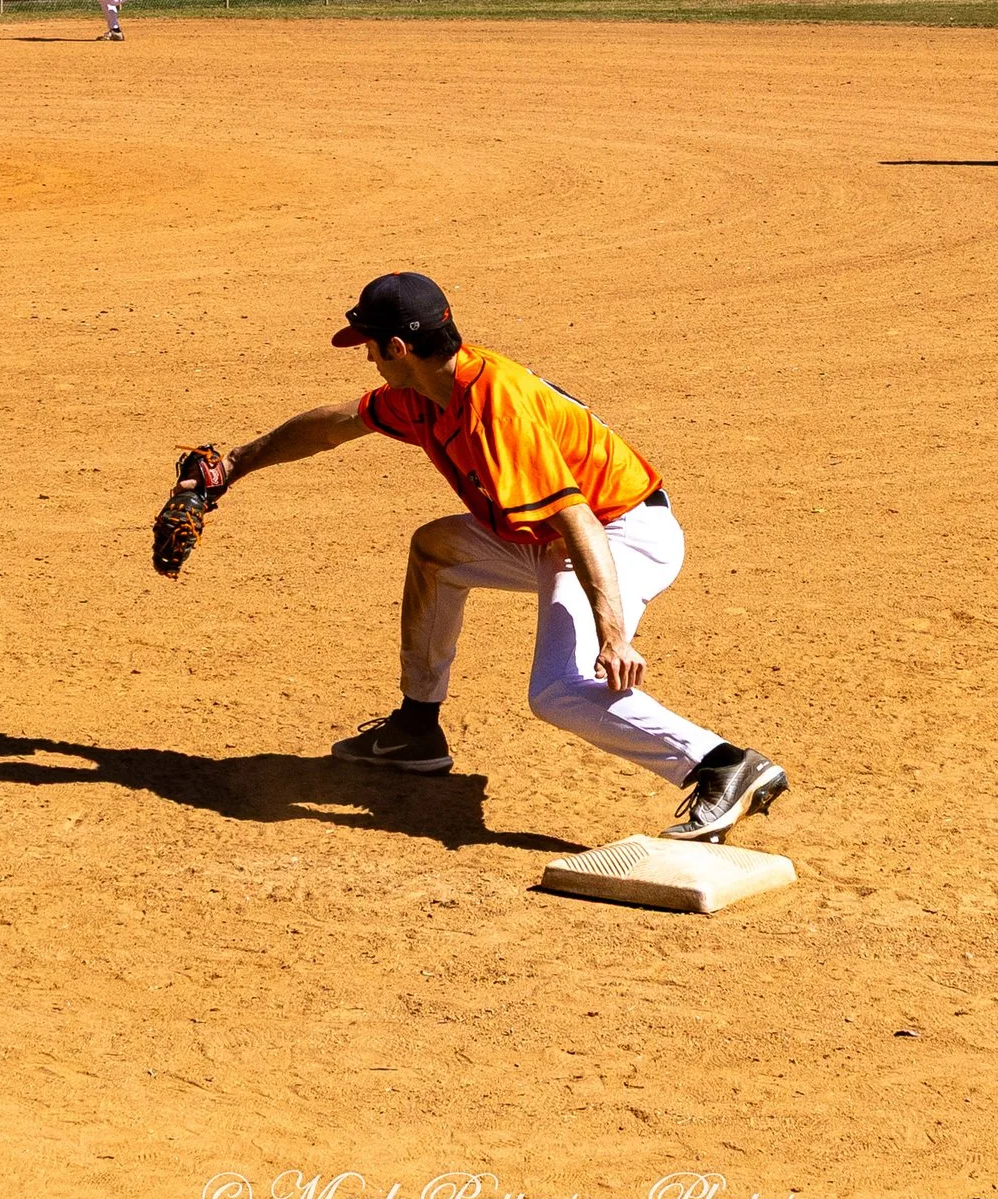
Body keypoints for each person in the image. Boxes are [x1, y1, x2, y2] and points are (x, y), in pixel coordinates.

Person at [184, 273, 788, 843]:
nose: (366, 357)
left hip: (616, 536)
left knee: (559, 689)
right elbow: (333, 425)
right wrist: (234, 466)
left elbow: (577, 519)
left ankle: (721, 764)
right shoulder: (424, 390)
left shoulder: (495, 408)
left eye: (369, 345)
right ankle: (417, 728)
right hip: (554, 536)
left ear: (398, 346)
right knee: (437, 552)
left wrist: (613, 634)